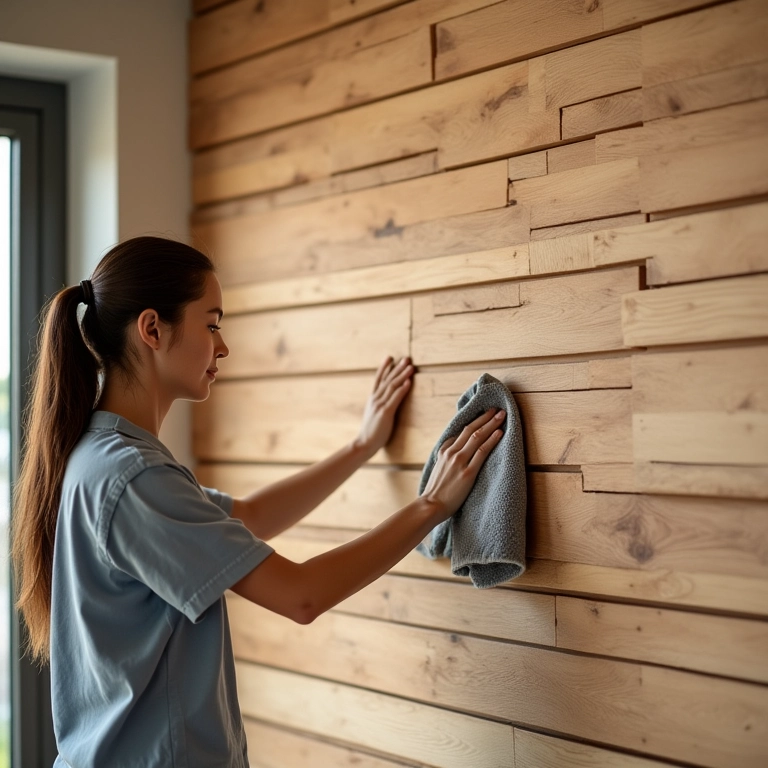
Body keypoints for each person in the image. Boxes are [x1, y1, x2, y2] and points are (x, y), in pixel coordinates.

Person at [10, 235, 507, 768]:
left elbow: (249, 518)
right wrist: (430, 505)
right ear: (153, 329)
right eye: (212, 323)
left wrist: (362, 446)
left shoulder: (106, 455)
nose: (222, 346)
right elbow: (302, 596)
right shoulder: (133, 476)